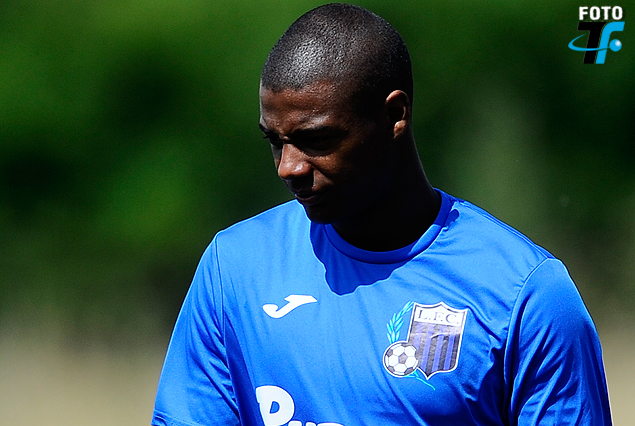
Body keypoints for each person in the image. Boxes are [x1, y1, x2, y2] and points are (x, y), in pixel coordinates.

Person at [151, 4, 612, 426]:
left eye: (316, 140)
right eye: (275, 141)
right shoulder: (235, 268)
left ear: (395, 114)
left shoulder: (525, 295)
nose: (288, 167)